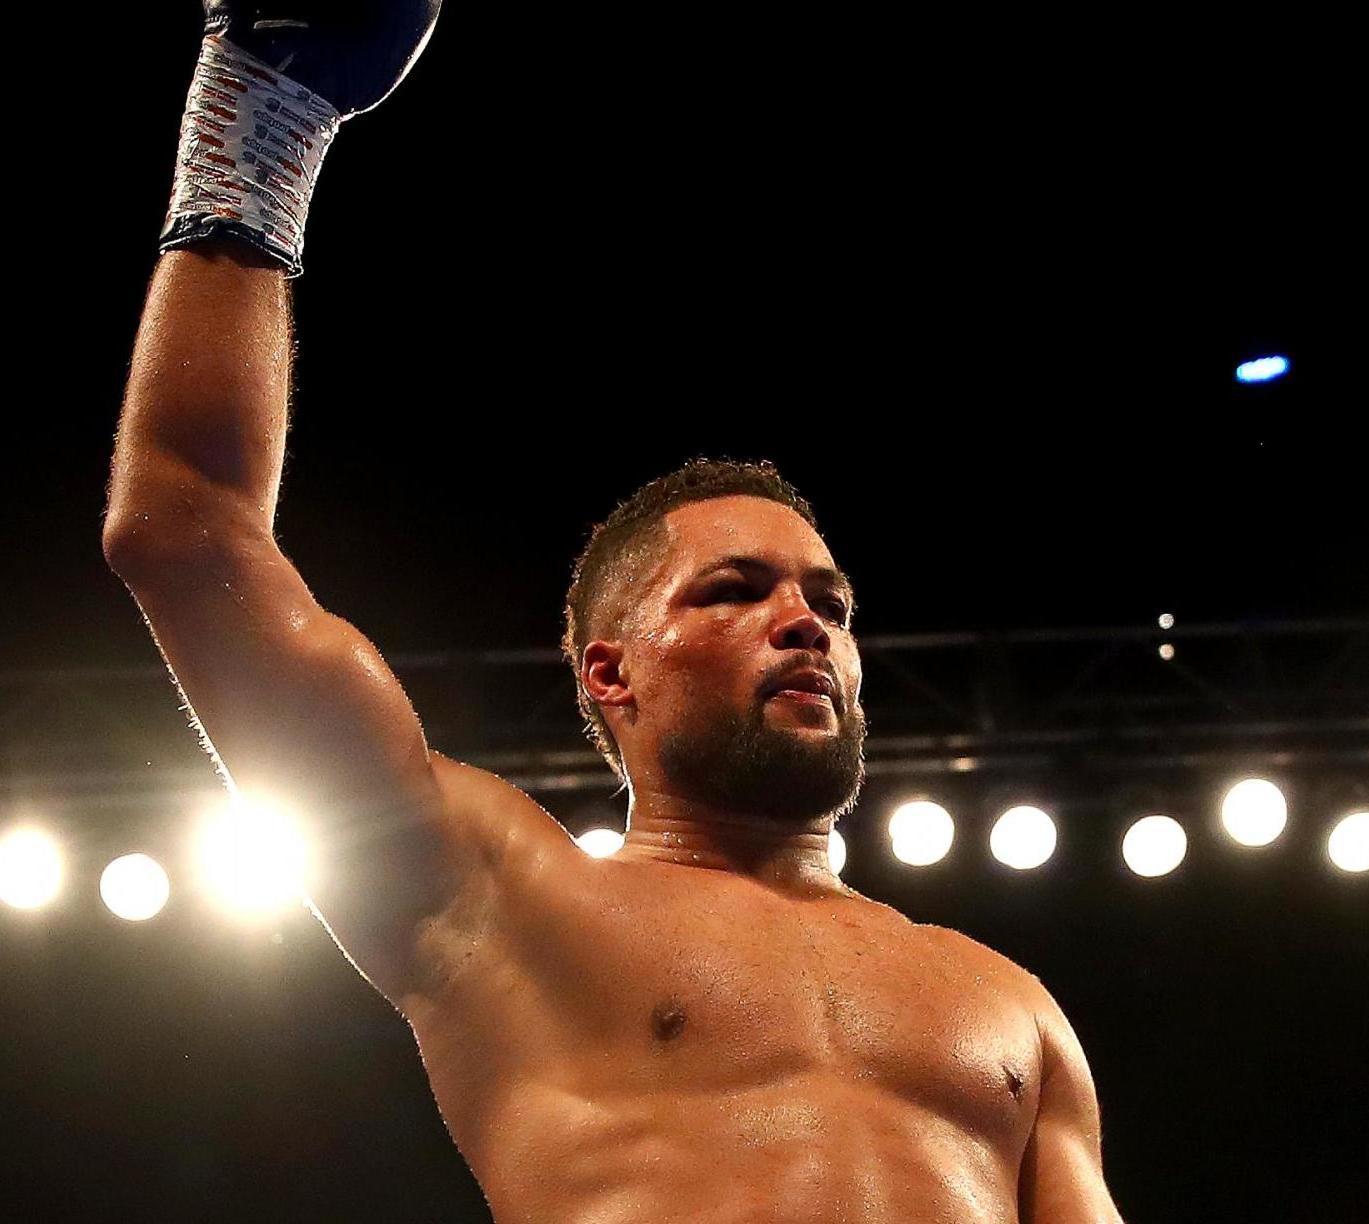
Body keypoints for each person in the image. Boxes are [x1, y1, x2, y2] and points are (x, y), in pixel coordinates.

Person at [101, 5, 1122, 1221]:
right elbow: (183, 530)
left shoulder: (1011, 1006)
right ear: (611, 674)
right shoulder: (500, 897)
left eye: (829, 603)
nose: (806, 623)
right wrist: (259, 124)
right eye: (735, 590)